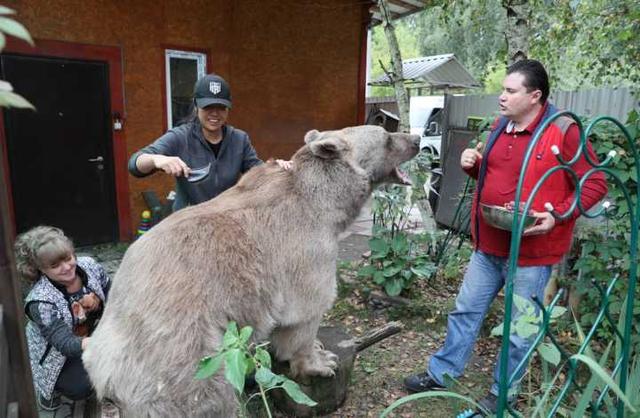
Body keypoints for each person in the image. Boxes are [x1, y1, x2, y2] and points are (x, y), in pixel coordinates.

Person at [403, 60, 608, 415]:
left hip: (532, 255)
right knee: (465, 311)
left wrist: (558, 214)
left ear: (535, 96)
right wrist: (473, 164)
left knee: (519, 330)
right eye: (503, 89)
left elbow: (595, 183)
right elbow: (494, 173)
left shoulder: (562, 131)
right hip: (489, 246)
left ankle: (502, 395)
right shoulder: (501, 126)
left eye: (510, 91)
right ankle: (443, 372)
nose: (501, 97)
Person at [129, 73, 289, 211]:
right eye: (208, 107)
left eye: (221, 107)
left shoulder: (239, 139)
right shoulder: (180, 137)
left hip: (227, 220)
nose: (215, 113)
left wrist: (277, 168)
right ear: (196, 105)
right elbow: (135, 164)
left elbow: (258, 172)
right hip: (188, 224)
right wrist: (156, 159)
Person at [16, 226, 110, 410]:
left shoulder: (90, 265)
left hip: (91, 333)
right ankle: (49, 391)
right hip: (57, 355)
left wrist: (99, 301)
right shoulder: (40, 301)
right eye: (55, 265)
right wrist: (103, 344)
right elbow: (64, 343)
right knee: (83, 385)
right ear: (40, 269)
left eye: (68, 258)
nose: (67, 267)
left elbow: (114, 293)